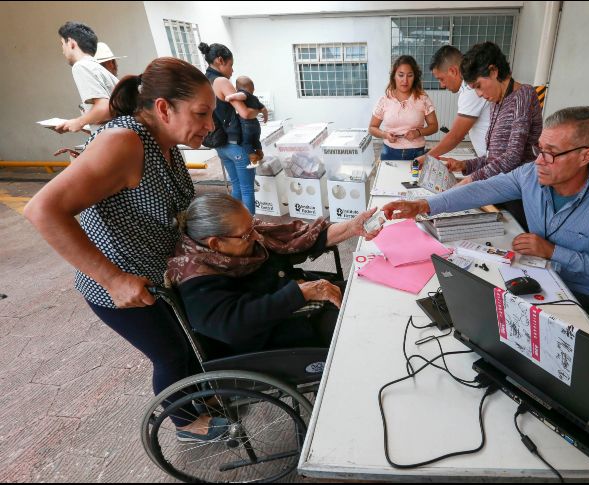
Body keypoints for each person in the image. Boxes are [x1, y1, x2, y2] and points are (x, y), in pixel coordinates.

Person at [24, 57, 227, 442]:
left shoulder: (164, 142)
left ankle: (199, 399)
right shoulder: (124, 141)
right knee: (168, 354)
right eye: (202, 113)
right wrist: (113, 279)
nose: (210, 125)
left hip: (156, 275)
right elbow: (43, 210)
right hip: (119, 286)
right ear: (164, 108)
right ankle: (185, 423)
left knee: (187, 346)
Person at [382, 106, 589, 323]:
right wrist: (423, 206)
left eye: (551, 153)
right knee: (470, 299)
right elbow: (480, 191)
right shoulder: (531, 174)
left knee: (505, 322)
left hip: (584, 295)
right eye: (539, 149)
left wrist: (552, 251)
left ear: (585, 155)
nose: (540, 160)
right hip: (537, 273)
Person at [167, 193, 383, 356]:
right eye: (247, 234)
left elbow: (301, 238)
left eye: (252, 225)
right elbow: (232, 325)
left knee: (365, 293)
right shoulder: (196, 275)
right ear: (215, 243)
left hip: (298, 299)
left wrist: (352, 227)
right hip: (274, 333)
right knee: (359, 328)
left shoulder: (244, 236)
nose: (256, 235)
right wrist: (299, 294)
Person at [439, 41, 542, 187]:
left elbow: (512, 157)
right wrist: (464, 165)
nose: (479, 94)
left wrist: (471, 179)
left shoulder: (524, 94)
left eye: (479, 86)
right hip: (499, 184)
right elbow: (492, 158)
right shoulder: (496, 102)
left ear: (493, 71)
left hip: (519, 188)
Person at [199, 42, 263, 215]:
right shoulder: (222, 81)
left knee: (236, 186)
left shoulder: (205, 80)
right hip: (237, 146)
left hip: (221, 145)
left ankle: (235, 226)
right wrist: (260, 109)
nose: (232, 71)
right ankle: (249, 229)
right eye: (230, 65)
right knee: (248, 189)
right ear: (220, 60)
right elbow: (244, 113)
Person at [416, 45, 490, 164]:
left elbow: (455, 136)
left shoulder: (470, 90)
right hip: (487, 159)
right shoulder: (468, 88)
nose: (442, 85)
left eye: (441, 79)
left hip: (496, 163)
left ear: (453, 71)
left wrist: (427, 157)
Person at [369, 55, 438, 161]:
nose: (405, 80)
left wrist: (418, 133)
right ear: (394, 76)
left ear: (415, 77)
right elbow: (372, 128)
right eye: (401, 75)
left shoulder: (423, 98)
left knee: (415, 178)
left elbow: (434, 126)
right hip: (389, 152)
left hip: (417, 153)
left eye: (409, 75)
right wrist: (385, 134)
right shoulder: (384, 100)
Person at [55, 21, 118, 134]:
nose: (62, 50)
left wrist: (79, 122)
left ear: (70, 43)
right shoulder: (97, 68)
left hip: (112, 140)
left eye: (62, 44)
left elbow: (104, 108)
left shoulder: (80, 66)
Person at [224, 75, 270, 166]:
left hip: (246, 124)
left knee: (246, 142)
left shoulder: (244, 93)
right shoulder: (255, 98)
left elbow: (241, 96)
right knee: (256, 140)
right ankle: (259, 152)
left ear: (238, 88)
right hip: (256, 124)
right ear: (252, 88)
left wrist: (230, 97)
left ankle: (253, 158)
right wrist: (265, 118)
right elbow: (264, 109)